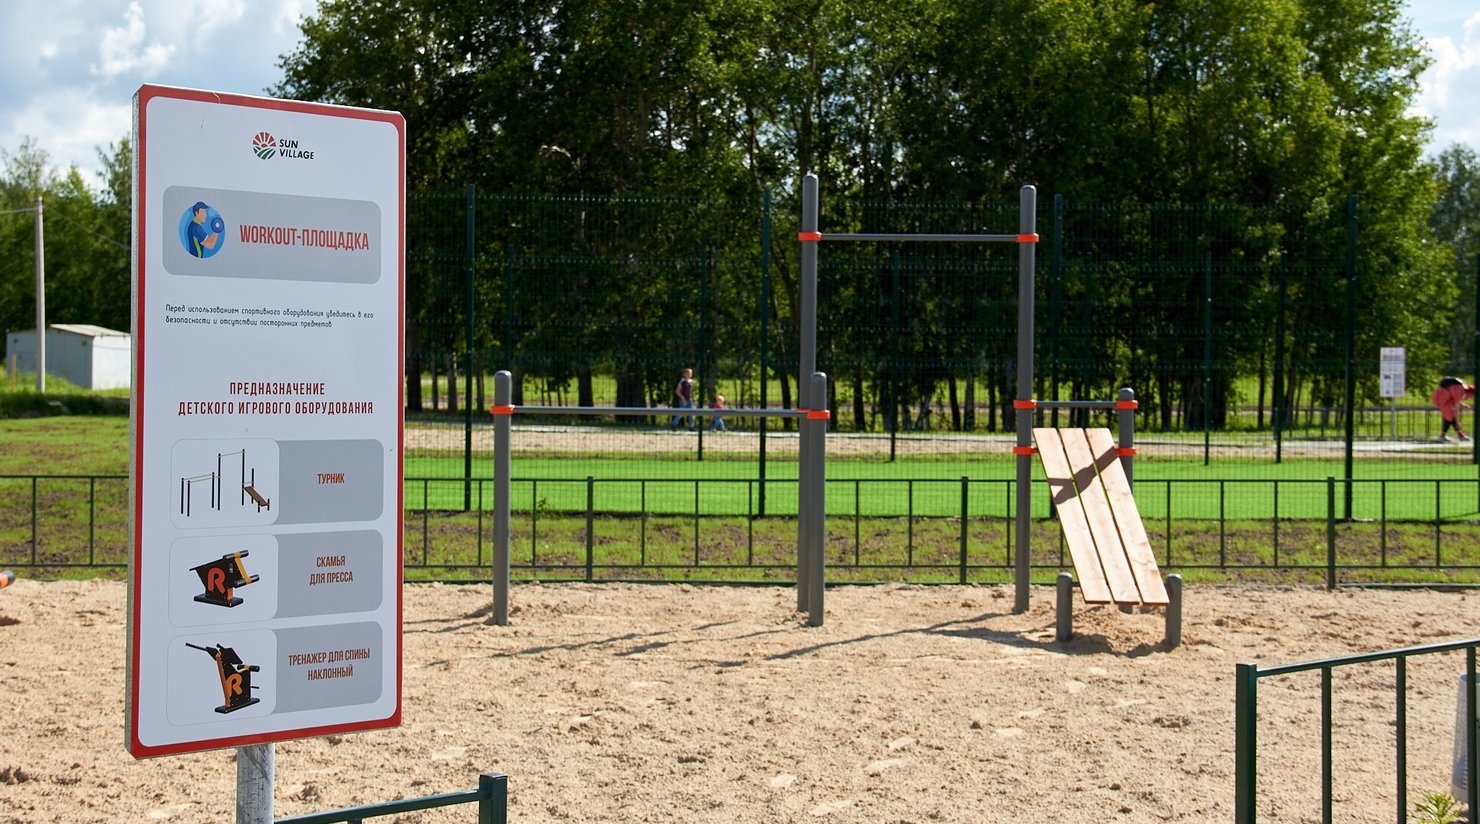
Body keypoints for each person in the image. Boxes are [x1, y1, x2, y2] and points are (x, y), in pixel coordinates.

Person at [1432, 376, 1475, 441]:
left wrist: (1462, 405)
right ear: (1470, 393)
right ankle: (1444, 436)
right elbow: (1455, 407)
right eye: (1472, 395)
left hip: (1444, 399)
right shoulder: (1461, 391)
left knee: (1450, 418)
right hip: (1444, 400)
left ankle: (1458, 435)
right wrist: (1457, 421)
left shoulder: (1460, 390)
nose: (1471, 397)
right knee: (1450, 417)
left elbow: (1454, 399)